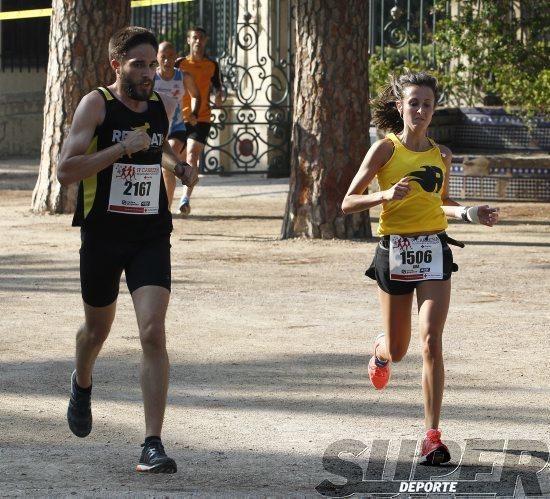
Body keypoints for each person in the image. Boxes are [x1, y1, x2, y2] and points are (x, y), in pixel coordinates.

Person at [57, 26, 197, 474]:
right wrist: (119, 147)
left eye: (153, 64)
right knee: (96, 331)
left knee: (152, 331)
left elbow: (156, 152)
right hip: (102, 234)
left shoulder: (162, 103)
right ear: (116, 66)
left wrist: (180, 165)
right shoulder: (96, 104)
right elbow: (66, 171)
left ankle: (152, 443)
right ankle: (82, 382)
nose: (148, 73)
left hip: (150, 233)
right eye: (138, 64)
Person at [341, 71, 499, 465]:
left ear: (434, 109)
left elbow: (437, 204)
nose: (421, 110)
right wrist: (384, 194)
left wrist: (468, 212)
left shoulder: (441, 154)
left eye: (428, 104)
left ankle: (432, 436)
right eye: (414, 102)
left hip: (433, 249)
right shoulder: (384, 150)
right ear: (400, 106)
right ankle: (379, 351)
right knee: (398, 350)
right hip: (394, 250)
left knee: (431, 340)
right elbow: (347, 202)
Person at [176, 25, 223, 215]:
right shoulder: (179, 63)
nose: (198, 41)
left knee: (192, 155)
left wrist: (219, 96)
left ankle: (185, 198)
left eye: (201, 38)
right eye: (194, 37)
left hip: (202, 117)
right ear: (189, 41)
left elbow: (218, 87)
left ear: (206, 41)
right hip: (179, 118)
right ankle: (165, 197)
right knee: (175, 159)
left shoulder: (212, 65)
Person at [154, 40, 201, 210]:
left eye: (170, 57)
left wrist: (194, 113)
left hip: (176, 127)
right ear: (157, 57)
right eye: (163, 57)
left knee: (168, 164)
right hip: (156, 128)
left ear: (176, 57)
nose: (167, 61)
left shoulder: (183, 76)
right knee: (157, 168)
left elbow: (196, 95)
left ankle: (165, 209)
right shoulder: (151, 77)